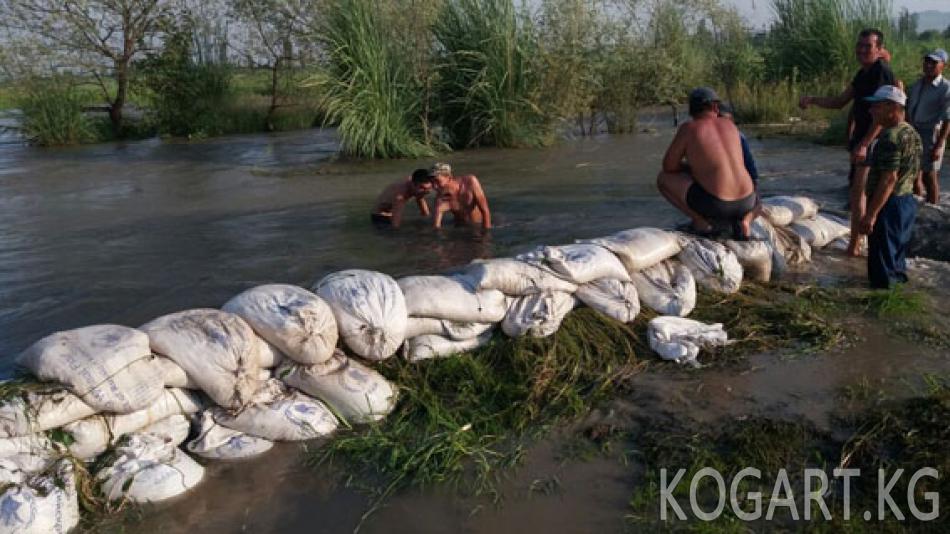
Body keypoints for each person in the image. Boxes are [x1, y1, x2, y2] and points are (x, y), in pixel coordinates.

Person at [799, 29, 896, 255]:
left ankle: (856, 245)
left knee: (860, 192)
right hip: (862, 137)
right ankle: (860, 243)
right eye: (859, 45)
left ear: (879, 49)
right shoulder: (863, 73)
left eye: (868, 46)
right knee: (858, 192)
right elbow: (840, 101)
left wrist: (865, 143)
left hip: (874, 140)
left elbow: (884, 114)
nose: (862, 50)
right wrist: (812, 100)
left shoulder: (881, 73)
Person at [656, 88, 757, 240]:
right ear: (715, 107)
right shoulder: (730, 125)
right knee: (752, 188)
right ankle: (746, 220)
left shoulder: (688, 128)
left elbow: (668, 167)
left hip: (719, 205)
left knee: (663, 179)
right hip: (747, 202)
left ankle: (701, 222)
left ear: (691, 110)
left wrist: (690, 169)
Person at [857, 85, 922, 289]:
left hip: (889, 204)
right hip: (906, 203)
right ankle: (897, 296)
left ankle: (881, 305)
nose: (871, 110)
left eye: (876, 106)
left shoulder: (890, 137)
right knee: (896, 258)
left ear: (892, 107)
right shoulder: (911, 132)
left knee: (882, 264)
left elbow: (888, 180)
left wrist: (871, 215)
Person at [906, 48, 950, 204]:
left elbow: (947, 120)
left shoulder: (945, 88)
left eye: (934, 62)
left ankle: (934, 207)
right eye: (927, 61)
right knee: (913, 172)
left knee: (929, 174)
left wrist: (938, 146)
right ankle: (918, 206)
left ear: (943, 65)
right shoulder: (917, 84)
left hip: (931, 133)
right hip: (913, 130)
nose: (929, 65)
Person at [429, 163, 492, 230]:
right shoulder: (440, 200)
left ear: (449, 177)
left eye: (437, 181)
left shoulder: (470, 182)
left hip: (480, 223)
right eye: (432, 182)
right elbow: (436, 227)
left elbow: (485, 211)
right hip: (460, 227)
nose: (434, 186)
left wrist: (486, 233)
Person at [370, 168, 435, 228]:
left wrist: (427, 216)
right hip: (380, 216)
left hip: (391, 212)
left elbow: (420, 198)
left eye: (429, 188)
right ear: (413, 184)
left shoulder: (416, 181)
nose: (427, 191)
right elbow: (395, 224)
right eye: (423, 188)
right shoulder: (401, 195)